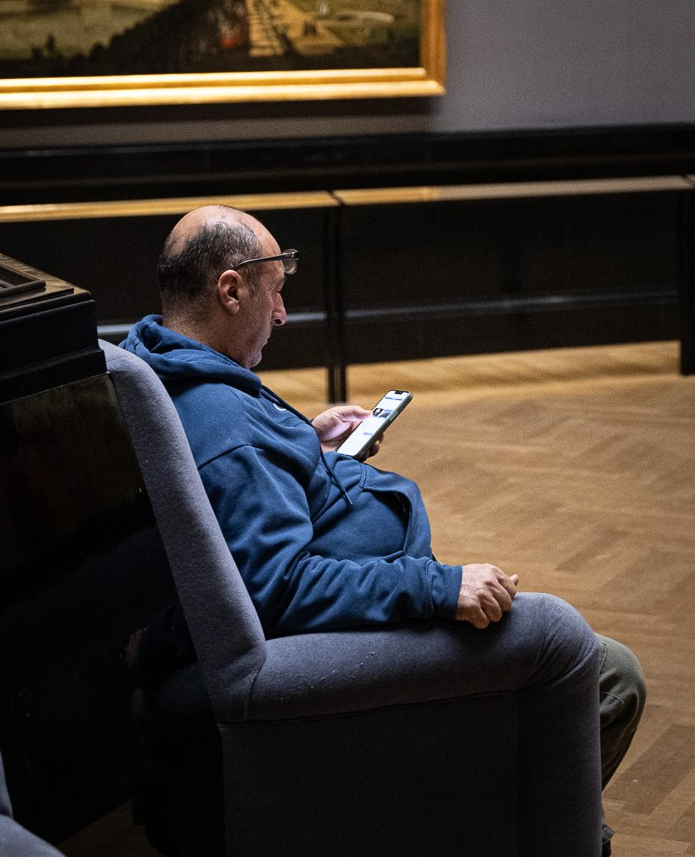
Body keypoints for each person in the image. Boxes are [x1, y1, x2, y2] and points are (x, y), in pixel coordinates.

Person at [123, 205, 645, 856]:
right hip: (343, 650)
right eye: (276, 291)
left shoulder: (162, 366)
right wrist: (438, 585)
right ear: (231, 290)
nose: (283, 313)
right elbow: (276, 588)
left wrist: (306, 453)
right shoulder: (227, 430)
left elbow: (243, 505)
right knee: (611, 674)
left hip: (347, 614)